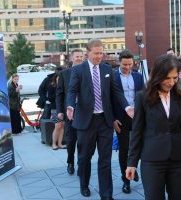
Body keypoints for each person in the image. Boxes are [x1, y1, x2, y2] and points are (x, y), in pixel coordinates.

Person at [126, 54, 181, 200]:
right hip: (152, 161)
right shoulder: (143, 97)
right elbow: (137, 132)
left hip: (178, 161)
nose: (171, 82)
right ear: (158, 75)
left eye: (175, 78)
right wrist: (132, 163)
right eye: (167, 78)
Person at [66, 39, 133, 200]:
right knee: (84, 158)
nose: (99, 56)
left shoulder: (106, 69)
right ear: (87, 52)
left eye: (101, 53)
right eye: (96, 53)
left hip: (104, 121)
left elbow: (116, 92)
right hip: (86, 122)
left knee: (105, 160)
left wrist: (127, 107)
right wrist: (70, 106)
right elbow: (72, 91)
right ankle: (84, 184)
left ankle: (106, 195)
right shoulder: (79, 70)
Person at [112, 49, 144, 194]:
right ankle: (126, 180)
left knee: (137, 146)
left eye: (130, 64)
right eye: (124, 64)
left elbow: (143, 97)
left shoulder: (138, 77)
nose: (127, 67)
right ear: (119, 62)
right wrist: (113, 119)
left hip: (137, 116)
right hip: (121, 118)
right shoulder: (112, 76)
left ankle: (133, 168)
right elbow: (108, 100)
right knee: (124, 149)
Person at [56, 49, 84, 175]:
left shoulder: (87, 72)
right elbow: (59, 94)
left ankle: (81, 164)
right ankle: (70, 162)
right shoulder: (64, 74)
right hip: (69, 113)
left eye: (81, 56)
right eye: (77, 56)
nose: (79, 58)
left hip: (84, 112)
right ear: (72, 58)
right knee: (71, 140)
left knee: (83, 141)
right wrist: (60, 111)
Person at [50, 74, 65, 150]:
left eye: (60, 79)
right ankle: (53, 144)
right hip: (55, 109)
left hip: (63, 108)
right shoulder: (52, 87)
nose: (59, 80)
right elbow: (50, 98)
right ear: (55, 79)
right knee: (57, 126)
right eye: (58, 79)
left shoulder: (64, 86)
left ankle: (60, 143)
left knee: (62, 126)